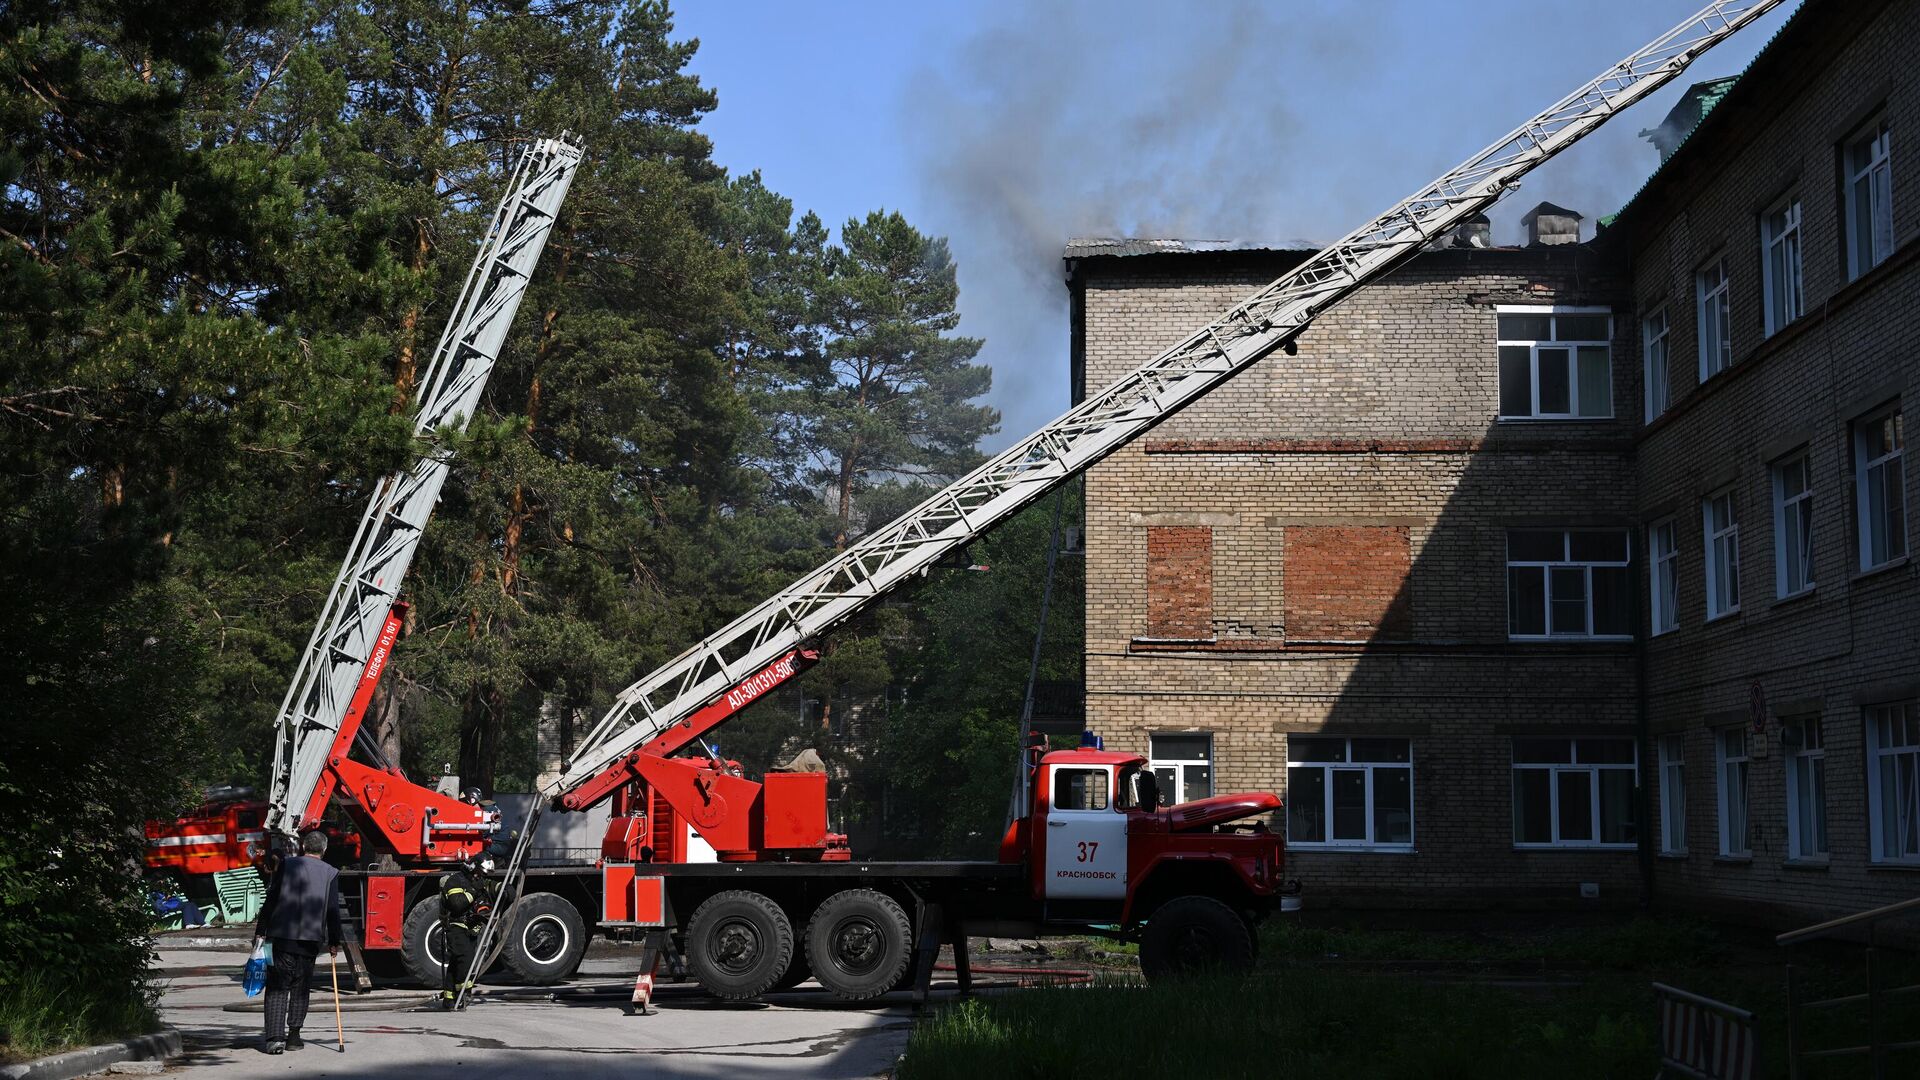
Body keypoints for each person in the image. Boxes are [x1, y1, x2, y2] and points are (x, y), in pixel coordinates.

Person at [252, 830, 345, 1054]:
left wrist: (260, 931)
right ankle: (294, 1036)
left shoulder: (286, 865)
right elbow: (333, 910)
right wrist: (334, 940)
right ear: (324, 850)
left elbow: (271, 898)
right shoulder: (331, 873)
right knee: (301, 987)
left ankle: (274, 1038)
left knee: (277, 986)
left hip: (281, 936)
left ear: (304, 846)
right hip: (310, 939)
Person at [436, 856, 497, 1010]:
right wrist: (474, 890)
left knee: (457, 961)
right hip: (455, 925)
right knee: (465, 958)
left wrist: (504, 889)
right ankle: (462, 992)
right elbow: (457, 905)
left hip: (470, 927)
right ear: (472, 868)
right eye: (479, 872)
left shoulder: (477, 881)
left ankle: (449, 998)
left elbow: (490, 890)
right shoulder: (455, 881)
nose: (481, 876)